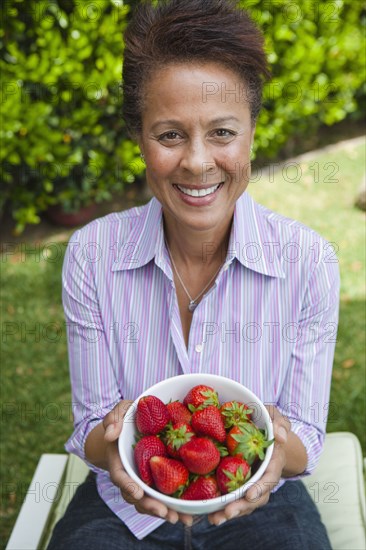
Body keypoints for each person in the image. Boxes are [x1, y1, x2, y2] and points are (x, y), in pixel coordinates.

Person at [48, 1, 340, 548]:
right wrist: (114, 451)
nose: (199, 162)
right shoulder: (92, 254)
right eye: (170, 135)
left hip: (261, 496)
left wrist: (275, 455)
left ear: (253, 132)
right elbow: (91, 424)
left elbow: (305, 436)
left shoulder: (309, 261)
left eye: (223, 132)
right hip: (125, 499)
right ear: (140, 139)